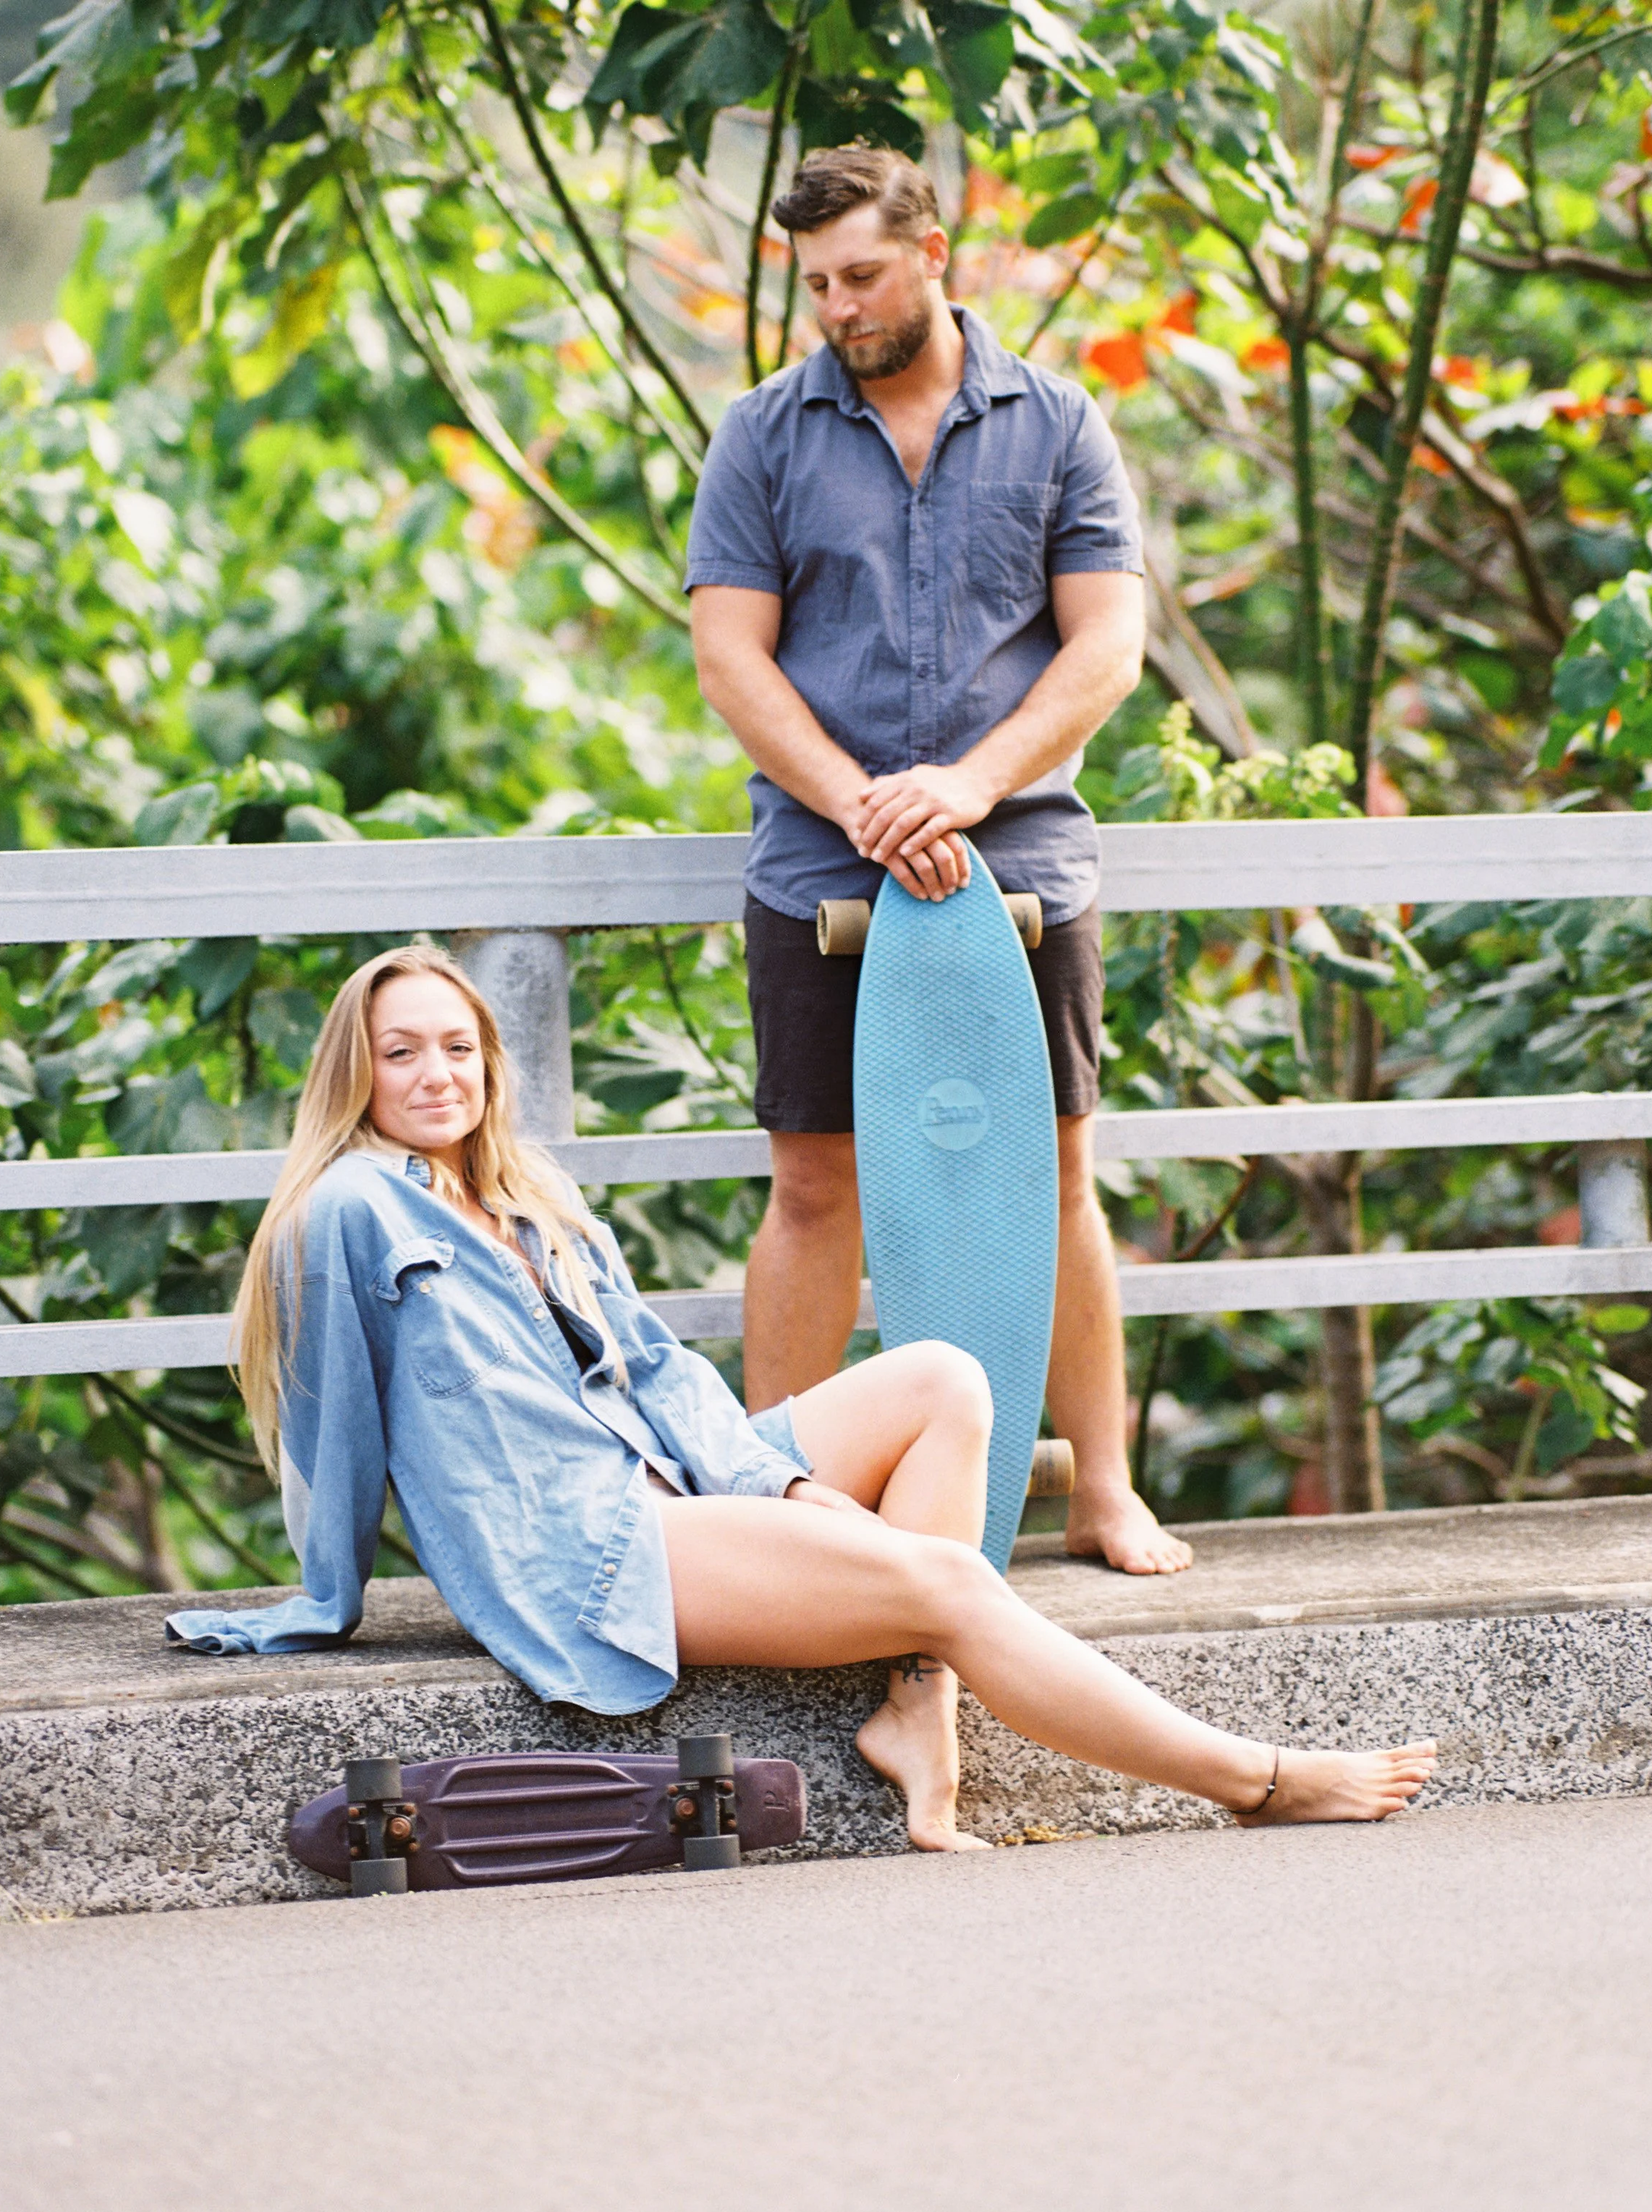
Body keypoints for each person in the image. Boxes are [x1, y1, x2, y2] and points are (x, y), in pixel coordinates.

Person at [166, 949, 1436, 1852]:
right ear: (359, 1071)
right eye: (402, 1053)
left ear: (491, 1065)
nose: (436, 1074)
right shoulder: (344, 1214)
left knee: (948, 1381)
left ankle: (920, 1715)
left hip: (668, 1479)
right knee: (945, 1582)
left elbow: (658, 1367)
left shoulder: (526, 1198)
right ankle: (1256, 1782)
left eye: (458, 1047)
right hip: (585, 1546)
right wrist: (318, 1605)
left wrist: (773, 1478)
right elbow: (333, 1424)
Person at [687, 143, 1190, 1582]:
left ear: (934, 254)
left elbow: (1106, 644)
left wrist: (965, 787)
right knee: (811, 1183)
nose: (835, 307)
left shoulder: (1060, 426)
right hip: (817, 862)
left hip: (1021, 851)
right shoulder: (762, 437)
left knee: (1054, 1174)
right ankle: (776, 1499)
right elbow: (731, 655)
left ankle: (1101, 1489)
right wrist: (862, 803)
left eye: (859, 276)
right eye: (815, 285)